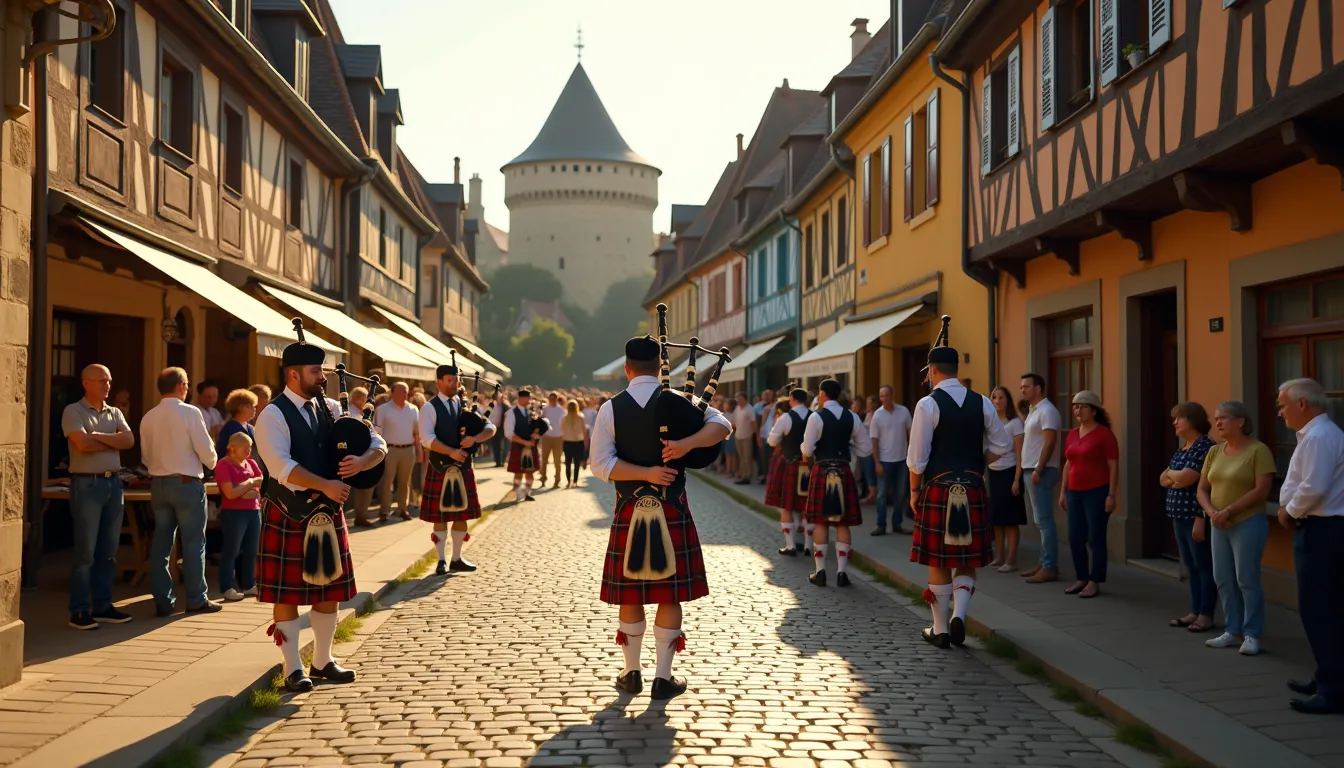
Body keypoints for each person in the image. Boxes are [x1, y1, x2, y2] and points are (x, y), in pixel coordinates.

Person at [590, 337, 731, 700]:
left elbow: (600, 465)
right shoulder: (681, 402)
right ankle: (662, 678)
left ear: (627, 368)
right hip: (671, 508)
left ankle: (631, 672)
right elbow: (722, 427)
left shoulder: (610, 409)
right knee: (670, 595)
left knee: (631, 593)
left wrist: (642, 472)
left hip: (628, 508)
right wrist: (685, 446)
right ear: (659, 366)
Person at [254, 335, 386, 692]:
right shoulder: (271, 415)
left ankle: (323, 660)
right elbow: (281, 466)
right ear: (294, 375)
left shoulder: (330, 408)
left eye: (323, 370)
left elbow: (375, 441)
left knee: (329, 592)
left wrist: (363, 461)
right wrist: (324, 485)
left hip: (327, 514)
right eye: (316, 371)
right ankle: (292, 667)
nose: (323, 377)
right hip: (291, 513)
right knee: (287, 596)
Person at [908, 338, 1012, 648]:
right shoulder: (982, 402)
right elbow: (1003, 446)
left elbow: (917, 458)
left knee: (939, 560)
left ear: (934, 370)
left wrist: (914, 490)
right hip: (973, 487)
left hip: (938, 487)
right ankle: (960, 617)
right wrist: (978, 466)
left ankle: (940, 629)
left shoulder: (927, 404)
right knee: (966, 558)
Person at [1275, 378, 1344, 715]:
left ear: (1303, 404)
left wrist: (1289, 512)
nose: (1279, 412)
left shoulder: (1319, 436)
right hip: (1322, 528)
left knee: (1321, 612)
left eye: (1283, 404)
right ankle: (1326, 676)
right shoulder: (1317, 435)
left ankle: (1333, 689)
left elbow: (1313, 487)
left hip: (1322, 529)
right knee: (1326, 610)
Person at [1197, 400, 1275, 656]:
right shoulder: (1214, 452)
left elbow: (1262, 489)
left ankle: (1252, 633)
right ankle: (1232, 630)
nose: (1217, 422)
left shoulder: (1258, 450)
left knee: (1246, 579)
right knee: (1223, 578)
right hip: (1218, 523)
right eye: (1216, 418)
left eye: (1224, 418)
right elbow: (1202, 489)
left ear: (1240, 421)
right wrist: (1212, 513)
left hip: (1247, 522)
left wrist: (1229, 511)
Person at [140, 367, 220, 616]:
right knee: (194, 543)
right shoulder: (190, 412)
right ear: (182, 386)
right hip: (186, 483)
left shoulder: (148, 416)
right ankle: (196, 598)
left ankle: (163, 601)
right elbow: (207, 454)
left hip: (159, 483)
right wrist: (212, 460)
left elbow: (145, 457)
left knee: (161, 544)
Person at [63, 363, 136, 630]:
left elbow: (128, 440)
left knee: (108, 551)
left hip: (113, 484)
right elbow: (81, 443)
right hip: (87, 485)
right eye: (102, 380)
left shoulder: (114, 411)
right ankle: (79, 610)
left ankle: (103, 605)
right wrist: (110, 439)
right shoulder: (73, 411)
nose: (107, 385)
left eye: (109, 380)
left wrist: (98, 436)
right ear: (86, 383)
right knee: (86, 552)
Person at [418, 363, 496, 575]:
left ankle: (457, 558)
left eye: (456, 380)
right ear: (439, 382)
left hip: (463, 467)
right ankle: (441, 560)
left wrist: (475, 439)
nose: (454, 384)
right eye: (449, 380)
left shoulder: (465, 405)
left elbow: (490, 427)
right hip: (440, 466)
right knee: (441, 517)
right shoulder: (429, 407)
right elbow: (426, 438)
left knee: (462, 516)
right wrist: (451, 452)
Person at [802, 379, 872, 588]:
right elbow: (866, 449)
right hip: (843, 469)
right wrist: (849, 450)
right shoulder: (852, 417)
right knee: (843, 523)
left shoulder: (816, 417)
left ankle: (821, 571)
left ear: (822, 394)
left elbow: (806, 449)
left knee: (821, 522)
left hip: (822, 469)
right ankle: (842, 573)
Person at [1058, 391, 1119, 599]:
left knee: (1096, 537)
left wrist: (1111, 494)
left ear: (1094, 410)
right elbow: (1068, 463)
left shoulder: (1104, 434)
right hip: (1074, 492)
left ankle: (1095, 580)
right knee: (1075, 537)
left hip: (1097, 491)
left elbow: (1113, 465)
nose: (1077, 410)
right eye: (1075, 406)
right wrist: (1063, 491)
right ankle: (1081, 577)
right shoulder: (1072, 434)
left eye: (1082, 406)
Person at [1162, 402, 1216, 633]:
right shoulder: (1184, 447)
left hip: (1196, 515)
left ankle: (1206, 614)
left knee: (1203, 565)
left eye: (1179, 418)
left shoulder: (1205, 446)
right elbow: (1162, 478)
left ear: (1192, 420)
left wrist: (1174, 476)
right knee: (1190, 566)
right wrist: (1175, 476)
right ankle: (1194, 609)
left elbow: (1187, 479)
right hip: (1178, 516)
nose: (1175, 422)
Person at [1019, 373, 1062, 584]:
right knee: (1040, 520)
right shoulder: (1034, 411)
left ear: (1038, 388)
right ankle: (1043, 562)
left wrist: (1039, 468)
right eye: (1021, 387)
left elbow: (1049, 443)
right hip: (1031, 469)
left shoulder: (1047, 411)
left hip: (1041, 471)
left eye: (1026, 386)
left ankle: (1049, 566)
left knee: (1044, 521)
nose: (1022, 390)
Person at [215, 431, 263, 601]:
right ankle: (227, 587)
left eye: (250, 447)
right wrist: (249, 484)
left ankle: (249, 584)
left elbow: (262, 486)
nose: (249, 451)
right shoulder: (223, 464)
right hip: (234, 513)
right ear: (233, 448)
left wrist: (241, 491)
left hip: (254, 511)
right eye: (245, 448)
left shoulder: (251, 463)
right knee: (232, 550)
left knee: (252, 550)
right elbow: (230, 493)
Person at [766, 389, 812, 557]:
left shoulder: (785, 418)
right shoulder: (815, 416)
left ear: (792, 399)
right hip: (810, 466)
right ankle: (808, 546)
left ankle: (791, 545)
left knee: (787, 506)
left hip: (791, 464)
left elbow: (772, 441)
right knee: (807, 507)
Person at [987, 386, 1027, 571]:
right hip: (993, 473)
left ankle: (1011, 559)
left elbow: (1020, 454)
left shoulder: (1015, 423)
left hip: (1010, 472)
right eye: (994, 397)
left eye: (1001, 397)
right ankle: (999, 556)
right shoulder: (990, 423)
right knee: (996, 518)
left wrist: (1017, 479)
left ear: (1007, 400)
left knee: (1010, 519)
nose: (997, 401)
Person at [374, 382, 420, 522]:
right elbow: (377, 431)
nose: (404, 394)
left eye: (406, 391)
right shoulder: (382, 410)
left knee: (405, 482)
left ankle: (402, 509)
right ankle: (384, 510)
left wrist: (419, 451)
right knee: (387, 482)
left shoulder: (413, 409)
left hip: (407, 449)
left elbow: (416, 433)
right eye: (401, 391)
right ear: (393, 393)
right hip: (389, 449)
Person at [870, 385, 913, 536]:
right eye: (881, 395)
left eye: (886, 395)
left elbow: (911, 434)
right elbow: (874, 440)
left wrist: (911, 456)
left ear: (892, 395)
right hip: (884, 460)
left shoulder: (903, 412)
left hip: (902, 460)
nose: (884, 398)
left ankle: (897, 523)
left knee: (900, 494)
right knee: (882, 495)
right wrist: (876, 462)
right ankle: (881, 524)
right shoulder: (877, 415)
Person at [504, 390, 541, 501]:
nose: (530, 401)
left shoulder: (531, 412)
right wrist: (525, 442)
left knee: (530, 471)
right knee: (518, 472)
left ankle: (527, 493)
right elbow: (509, 433)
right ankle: (517, 493)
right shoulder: (511, 413)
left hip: (531, 446)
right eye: (528, 398)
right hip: (519, 446)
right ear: (521, 398)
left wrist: (536, 434)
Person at [348, 386, 376, 526]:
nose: (368, 402)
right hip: (356, 455)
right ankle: (359, 515)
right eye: (365, 399)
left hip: (364, 455)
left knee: (365, 486)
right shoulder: (350, 412)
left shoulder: (361, 412)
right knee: (360, 487)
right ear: (358, 399)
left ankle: (361, 515)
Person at [216, 389, 258, 459]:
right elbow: (224, 453)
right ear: (240, 407)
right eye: (250, 406)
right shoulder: (230, 429)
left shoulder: (250, 428)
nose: (254, 409)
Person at [852, 396, 877, 503]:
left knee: (869, 472)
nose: (868, 406)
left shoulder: (876, 415)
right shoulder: (866, 415)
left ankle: (872, 495)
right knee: (864, 473)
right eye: (867, 403)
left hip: (870, 448)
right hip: (863, 449)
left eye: (870, 403)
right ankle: (867, 493)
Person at [540, 393, 567, 488]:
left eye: (553, 399)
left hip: (558, 437)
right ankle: (543, 478)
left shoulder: (561, 410)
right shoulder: (545, 409)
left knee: (557, 460)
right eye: (550, 399)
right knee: (544, 459)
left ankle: (557, 480)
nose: (552, 400)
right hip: (547, 436)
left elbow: (564, 423)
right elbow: (541, 421)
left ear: (556, 399)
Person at [731, 393, 757, 485]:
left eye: (740, 398)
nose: (738, 400)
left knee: (747, 457)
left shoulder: (749, 409)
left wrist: (756, 436)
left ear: (744, 399)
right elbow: (733, 422)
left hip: (747, 436)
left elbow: (754, 423)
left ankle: (747, 476)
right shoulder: (737, 408)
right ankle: (742, 475)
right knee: (741, 457)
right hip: (738, 435)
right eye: (737, 399)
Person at [561, 399, 587, 488]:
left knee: (567, 463)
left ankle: (569, 481)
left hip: (567, 442)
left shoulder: (564, 418)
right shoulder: (581, 417)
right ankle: (575, 481)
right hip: (578, 443)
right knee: (576, 463)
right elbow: (584, 431)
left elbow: (562, 431)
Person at [581, 397, 600, 470]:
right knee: (585, 446)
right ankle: (584, 460)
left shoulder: (595, 412)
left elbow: (595, 422)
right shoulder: (584, 411)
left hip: (591, 432)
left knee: (589, 447)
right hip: (584, 431)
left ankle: (587, 461)